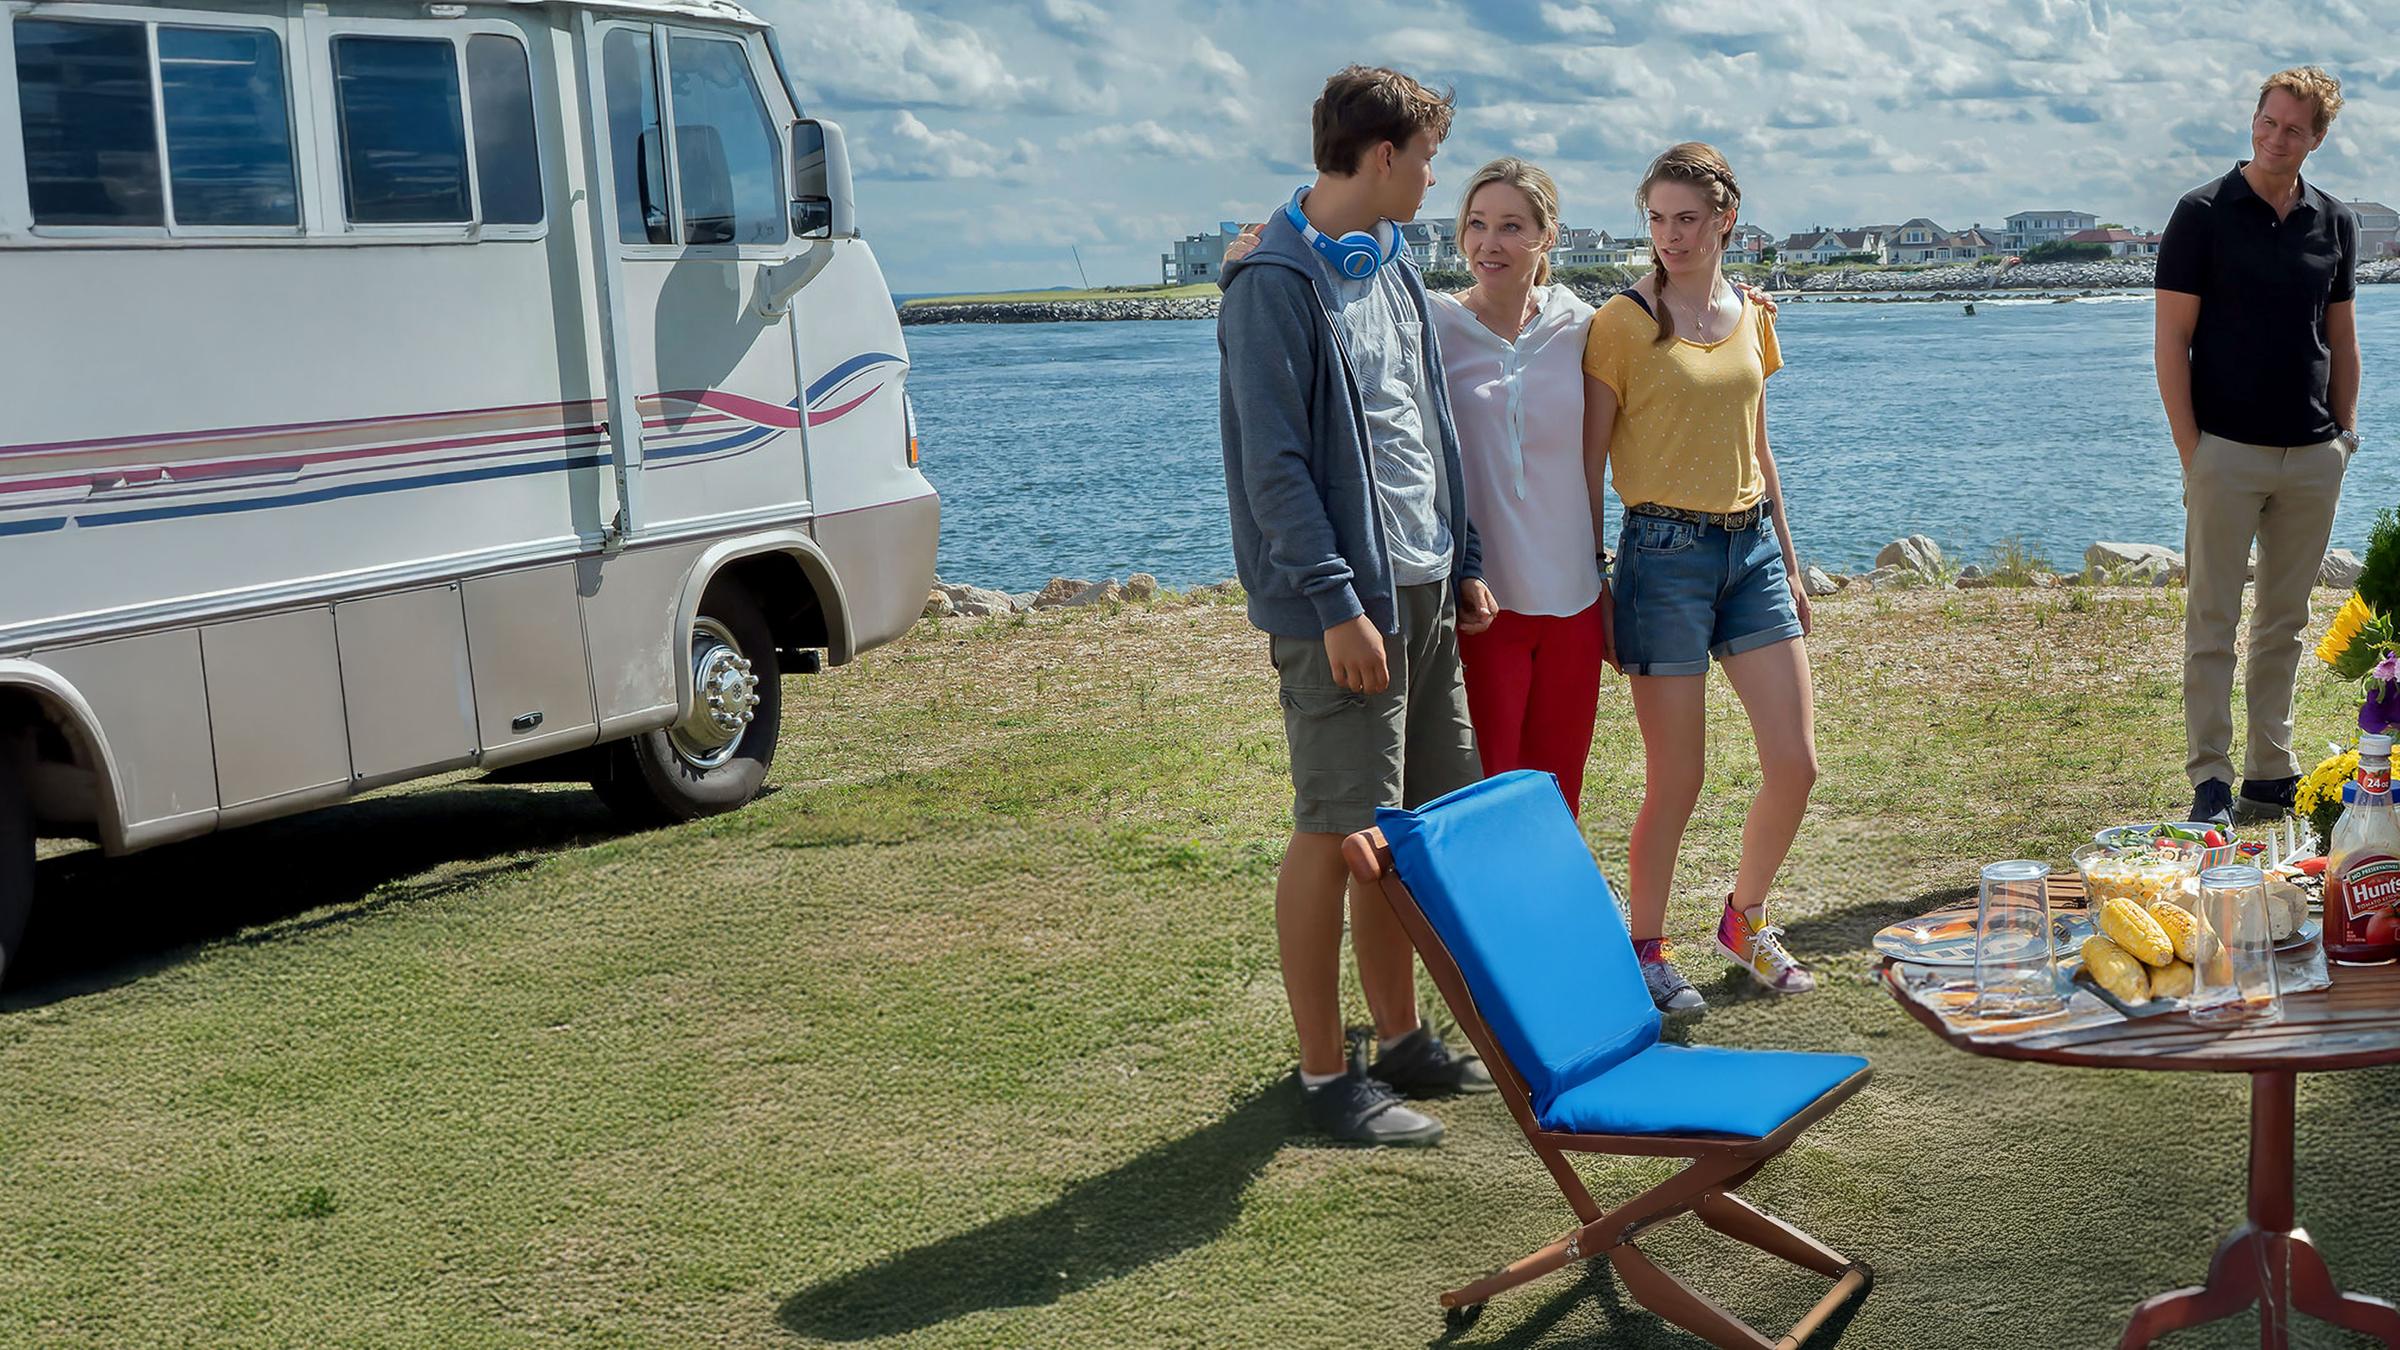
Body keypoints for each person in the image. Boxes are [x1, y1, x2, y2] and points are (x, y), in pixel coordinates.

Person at [1217, 65, 1497, 1147]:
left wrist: (1461, 555)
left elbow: (1427, 425)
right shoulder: (1272, 285)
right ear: (1382, 154)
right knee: (1337, 830)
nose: (1435, 179)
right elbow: (1274, 467)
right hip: (1345, 609)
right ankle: (1327, 1076)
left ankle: (1403, 1041)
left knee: (1411, 831)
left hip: (1421, 590)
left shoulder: (1387, 267)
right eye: (1427, 159)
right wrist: (1335, 604)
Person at [1582, 143, 1817, 1009]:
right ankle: (1646, 948)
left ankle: (1745, 919)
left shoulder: (1755, 314)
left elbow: (1761, 446)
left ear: (1725, 221)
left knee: (1795, 763)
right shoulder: (1619, 324)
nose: (1671, 236)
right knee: (1677, 776)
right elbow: (1587, 467)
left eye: (1688, 219)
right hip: (1659, 561)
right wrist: (1597, 579)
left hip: (1750, 552)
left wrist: (1790, 564)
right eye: (1656, 219)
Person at [2155, 66, 2363, 829]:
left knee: (2286, 621)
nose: (2278, 138)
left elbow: (2341, 337)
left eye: (2295, 129)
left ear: (2317, 138)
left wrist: (2344, 433)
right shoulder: (2201, 214)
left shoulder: (2334, 222)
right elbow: (2171, 342)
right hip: (2226, 449)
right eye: (2268, 122)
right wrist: (2194, 452)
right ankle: (2210, 775)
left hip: (2313, 454)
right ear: (2254, 120)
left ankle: (2269, 771)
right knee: (2211, 620)